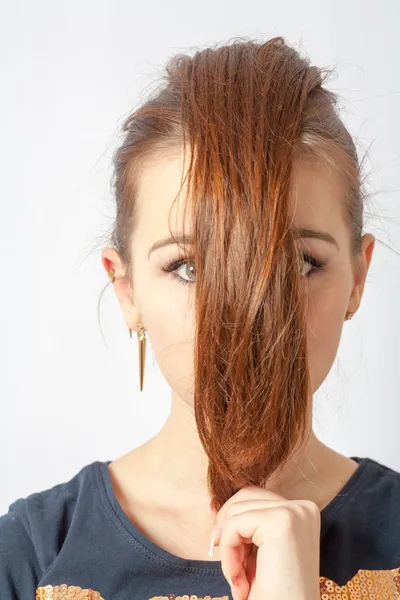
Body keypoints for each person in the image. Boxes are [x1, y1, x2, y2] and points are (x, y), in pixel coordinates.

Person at [2, 36, 400, 600]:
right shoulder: (29, 557)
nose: (247, 314)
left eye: (298, 262)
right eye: (188, 267)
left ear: (357, 278)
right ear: (126, 288)